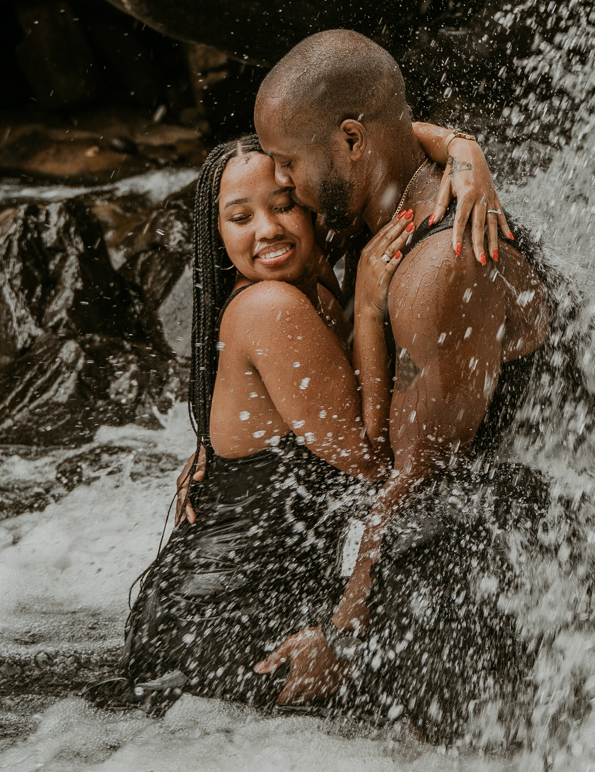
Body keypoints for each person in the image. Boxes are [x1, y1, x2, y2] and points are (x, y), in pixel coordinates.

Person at [120, 116, 514, 711]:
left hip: (282, 593)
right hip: (213, 617)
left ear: (309, 201)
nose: (267, 230)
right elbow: (373, 458)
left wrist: (464, 150)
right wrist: (368, 311)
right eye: (240, 216)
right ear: (217, 232)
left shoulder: (323, 277)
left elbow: (380, 128)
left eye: (283, 204)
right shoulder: (270, 306)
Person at [248, 29, 551, 740]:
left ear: (351, 143)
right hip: (470, 514)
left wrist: (341, 637)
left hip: (523, 544)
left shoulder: (437, 270)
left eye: (288, 161)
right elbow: (390, 123)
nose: (281, 182)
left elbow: (409, 480)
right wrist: (462, 146)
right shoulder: (388, 194)